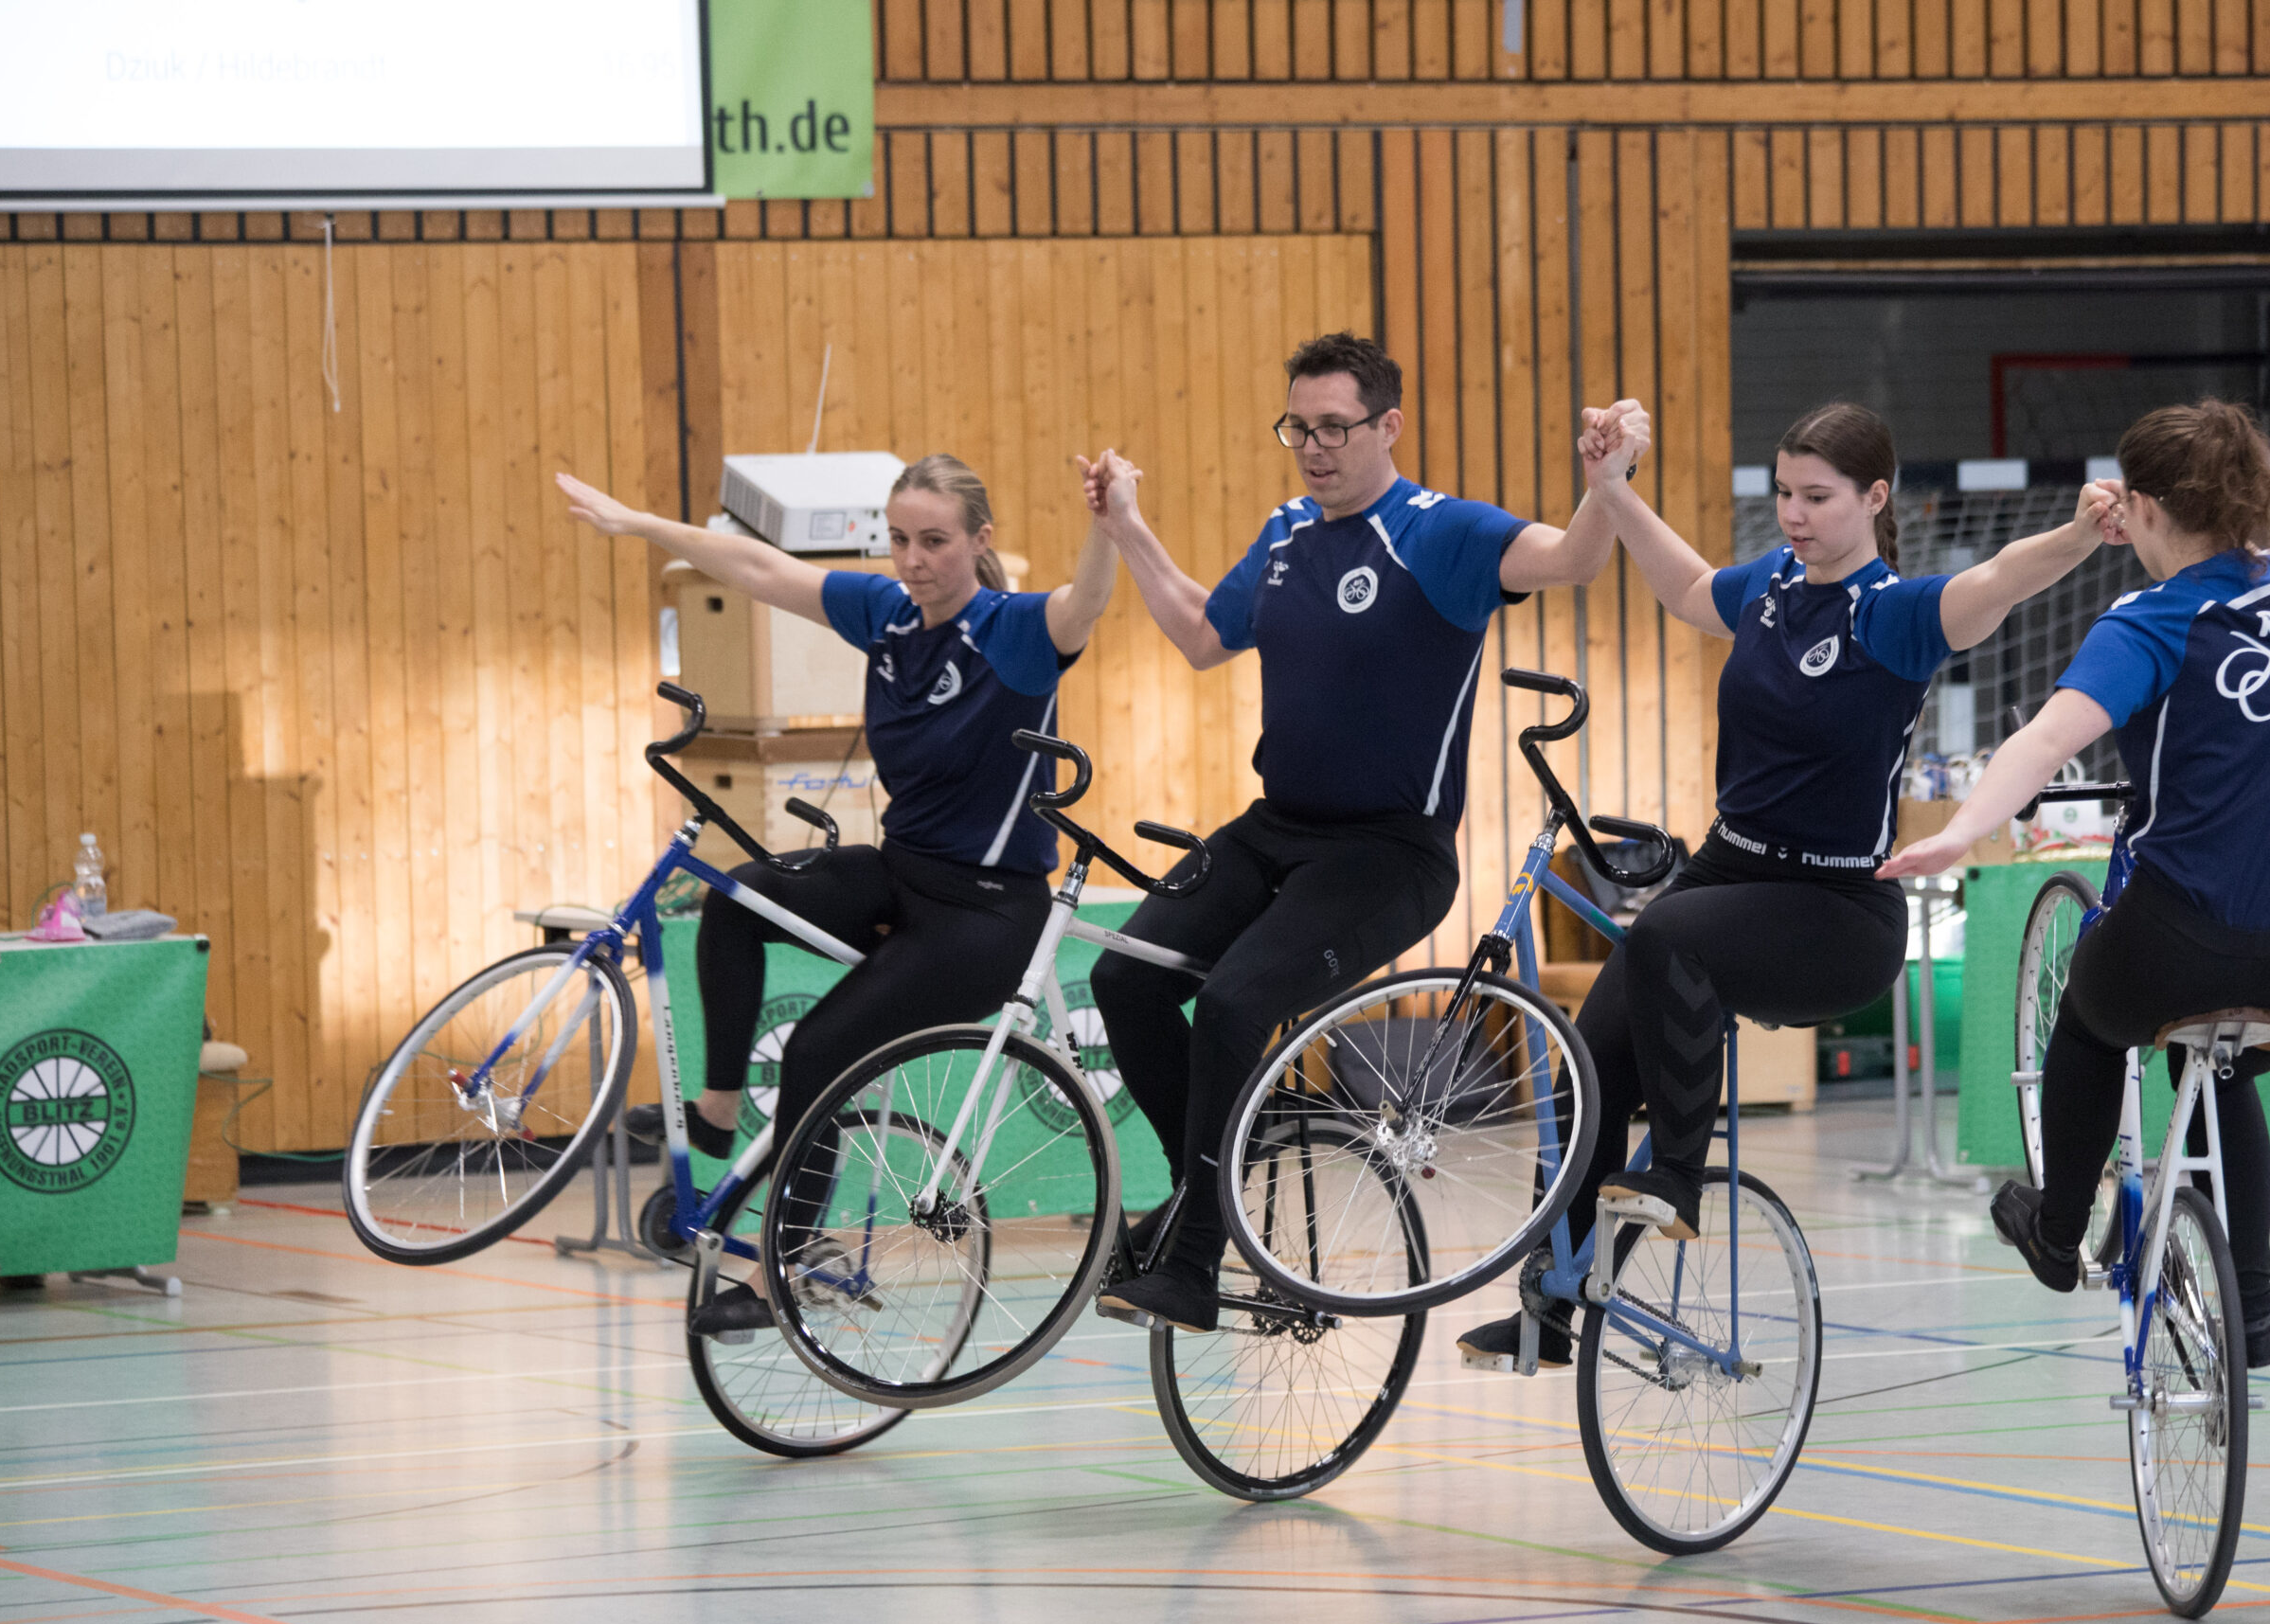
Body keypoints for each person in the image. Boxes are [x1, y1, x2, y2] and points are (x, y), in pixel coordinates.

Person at [1464, 398, 2124, 1369]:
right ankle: (1550, 1304)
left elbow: (1993, 582)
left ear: (1875, 498)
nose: (1793, 514)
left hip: (1837, 910)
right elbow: (1691, 589)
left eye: (1817, 496)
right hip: (1732, 870)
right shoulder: (1773, 585)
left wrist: (2077, 535)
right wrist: (1611, 490)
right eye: (1783, 493)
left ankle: (1676, 1176)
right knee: (1587, 1065)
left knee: (1665, 936)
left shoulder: (1892, 615)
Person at [1088, 330, 1641, 1333]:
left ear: (1388, 426)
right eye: (1298, 428)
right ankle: (1207, 1181)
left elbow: (1573, 558)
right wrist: (1127, 526)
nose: (1313, 447)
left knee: (1233, 1001)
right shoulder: (1287, 534)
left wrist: (1606, 482)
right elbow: (1202, 635)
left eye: (1334, 428)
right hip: (1273, 829)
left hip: (1390, 855)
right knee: (1125, 975)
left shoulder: (1441, 532)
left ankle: (1194, 1261)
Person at [556, 452, 1123, 1332]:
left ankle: (783, 1270)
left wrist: (1108, 521)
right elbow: (759, 567)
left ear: (979, 540)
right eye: (899, 540)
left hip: (985, 912)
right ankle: (716, 1109)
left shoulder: (1011, 632)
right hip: (903, 872)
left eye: (934, 541)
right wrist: (639, 524)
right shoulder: (887, 615)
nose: (913, 560)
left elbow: (1084, 601)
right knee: (737, 898)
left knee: (819, 1048)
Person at [1882, 399, 2270, 1370]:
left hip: (2180, 944)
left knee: (2093, 1024)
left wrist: (1962, 833)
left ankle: (2057, 1233)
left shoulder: (2146, 621)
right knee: (2220, 1065)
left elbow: (2045, 740)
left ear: (2138, 507)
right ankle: (2251, 1308)